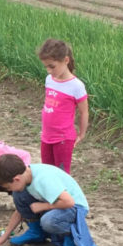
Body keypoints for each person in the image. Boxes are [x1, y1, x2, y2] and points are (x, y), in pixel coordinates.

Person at [0, 153, 94, 246]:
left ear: (17, 179)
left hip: (75, 207)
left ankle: (70, 237)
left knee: (48, 221)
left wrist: (44, 206)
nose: (10, 190)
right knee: (19, 195)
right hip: (57, 204)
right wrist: (4, 236)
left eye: (8, 187)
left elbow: (69, 202)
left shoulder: (43, 179)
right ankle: (36, 232)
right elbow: (19, 211)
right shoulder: (26, 176)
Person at [37, 38, 89, 174]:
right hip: (46, 136)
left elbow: (84, 112)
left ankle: (64, 196)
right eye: (46, 66)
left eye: (52, 66)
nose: (49, 70)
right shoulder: (49, 80)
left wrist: (82, 134)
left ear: (66, 60)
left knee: (61, 174)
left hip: (63, 139)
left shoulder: (76, 86)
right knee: (47, 173)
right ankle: (50, 196)